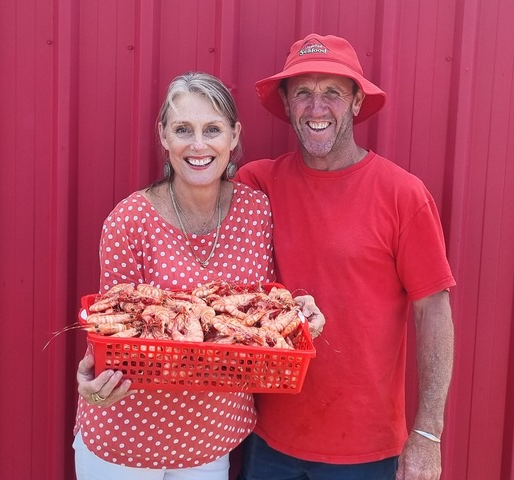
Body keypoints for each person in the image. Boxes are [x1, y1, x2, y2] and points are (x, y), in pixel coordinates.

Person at [73, 72, 323, 480]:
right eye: (183, 130)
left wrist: (298, 317)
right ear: (164, 136)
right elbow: (110, 331)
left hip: (210, 439)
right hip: (126, 440)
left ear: (234, 136)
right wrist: (94, 380)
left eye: (212, 130)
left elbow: (261, 309)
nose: (199, 145)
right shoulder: (129, 221)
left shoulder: (256, 211)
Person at [236, 34, 456, 480]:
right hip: (268, 438)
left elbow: (433, 311)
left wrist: (428, 433)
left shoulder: (403, 195)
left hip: (366, 451)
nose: (316, 107)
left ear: (356, 102)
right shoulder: (257, 184)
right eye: (303, 92)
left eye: (333, 92)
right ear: (287, 103)